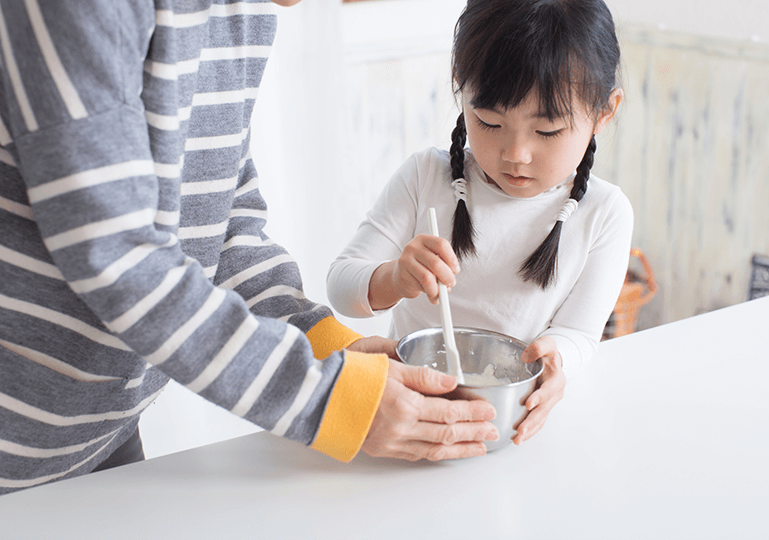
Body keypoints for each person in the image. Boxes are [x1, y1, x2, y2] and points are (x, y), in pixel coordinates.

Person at [0, 0, 498, 495]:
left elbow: (223, 224)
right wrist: (334, 399)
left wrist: (334, 352)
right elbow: (120, 259)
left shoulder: (247, 12)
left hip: (101, 437)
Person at [328, 0, 633, 445]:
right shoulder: (424, 178)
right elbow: (340, 286)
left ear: (604, 113)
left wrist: (555, 357)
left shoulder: (604, 214)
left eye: (546, 132)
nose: (516, 154)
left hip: (509, 427)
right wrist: (394, 278)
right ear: (461, 88)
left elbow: (579, 334)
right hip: (407, 419)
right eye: (489, 122)